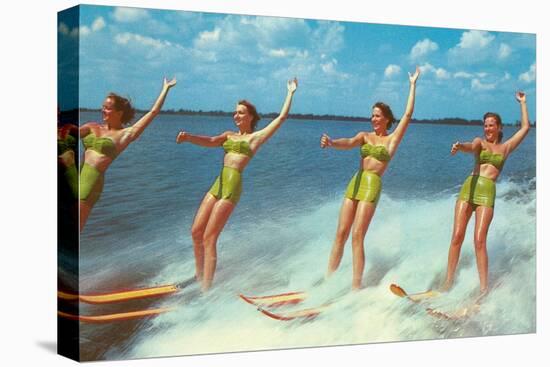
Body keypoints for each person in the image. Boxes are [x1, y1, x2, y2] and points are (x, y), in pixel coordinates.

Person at [176, 78, 298, 291]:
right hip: (218, 183)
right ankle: (199, 275)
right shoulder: (228, 135)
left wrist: (290, 93)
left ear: (250, 117)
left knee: (209, 237)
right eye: (235, 112)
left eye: (241, 112)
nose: (236, 115)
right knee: (196, 232)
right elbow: (211, 141)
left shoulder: (255, 138)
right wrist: (189, 138)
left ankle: (206, 290)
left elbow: (281, 117)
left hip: (232, 186)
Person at [320, 68, 420, 290]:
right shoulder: (364, 136)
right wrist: (332, 142)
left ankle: (356, 286)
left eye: (377, 116)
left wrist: (412, 85)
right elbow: (348, 142)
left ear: (386, 119)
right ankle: (329, 280)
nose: (373, 119)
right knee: (341, 233)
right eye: (372, 115)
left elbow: (408, 115)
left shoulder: (392, 140)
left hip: (372, 185)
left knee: (357, 235)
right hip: (356, 182)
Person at [442, 91, 530, 296]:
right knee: (456, 236)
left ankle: (483, 289)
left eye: (491, 125)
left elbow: (525, 128)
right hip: (469, 188)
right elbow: (470, 147)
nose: (487, 128)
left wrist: (523, 103)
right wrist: (459, 146)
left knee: (479, 241)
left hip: (487, 192)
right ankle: (448, 282)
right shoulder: (479, 142)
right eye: (485, 125)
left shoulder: (506, 148)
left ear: (499, 127)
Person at [79, 77, 177, 231]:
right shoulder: (91, 126)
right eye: (103, 106)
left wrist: (165, 88)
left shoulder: (125, 135)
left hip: (91, 182)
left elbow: (153, 112)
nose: (103, 110)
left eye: (108, 108)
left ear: (119, 112)